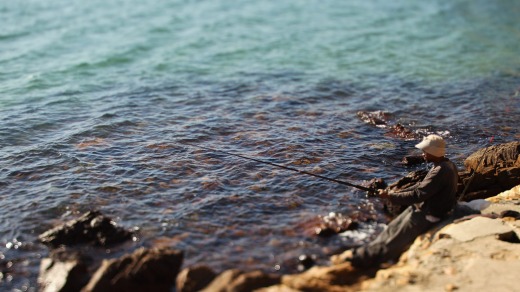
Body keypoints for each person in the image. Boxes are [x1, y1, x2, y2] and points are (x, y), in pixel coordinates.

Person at [331, 134, 459, 268]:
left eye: (425, 151)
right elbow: (420, 187)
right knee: (391, 229)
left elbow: (417, 195)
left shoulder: (439, 171)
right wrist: (393, 193)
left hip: (429, 215)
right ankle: (365, 252)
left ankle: (363, 261)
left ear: (434, 152)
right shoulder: (447, 164)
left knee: (393, 241)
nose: (423, 153)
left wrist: (390, 197)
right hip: (422, 208)